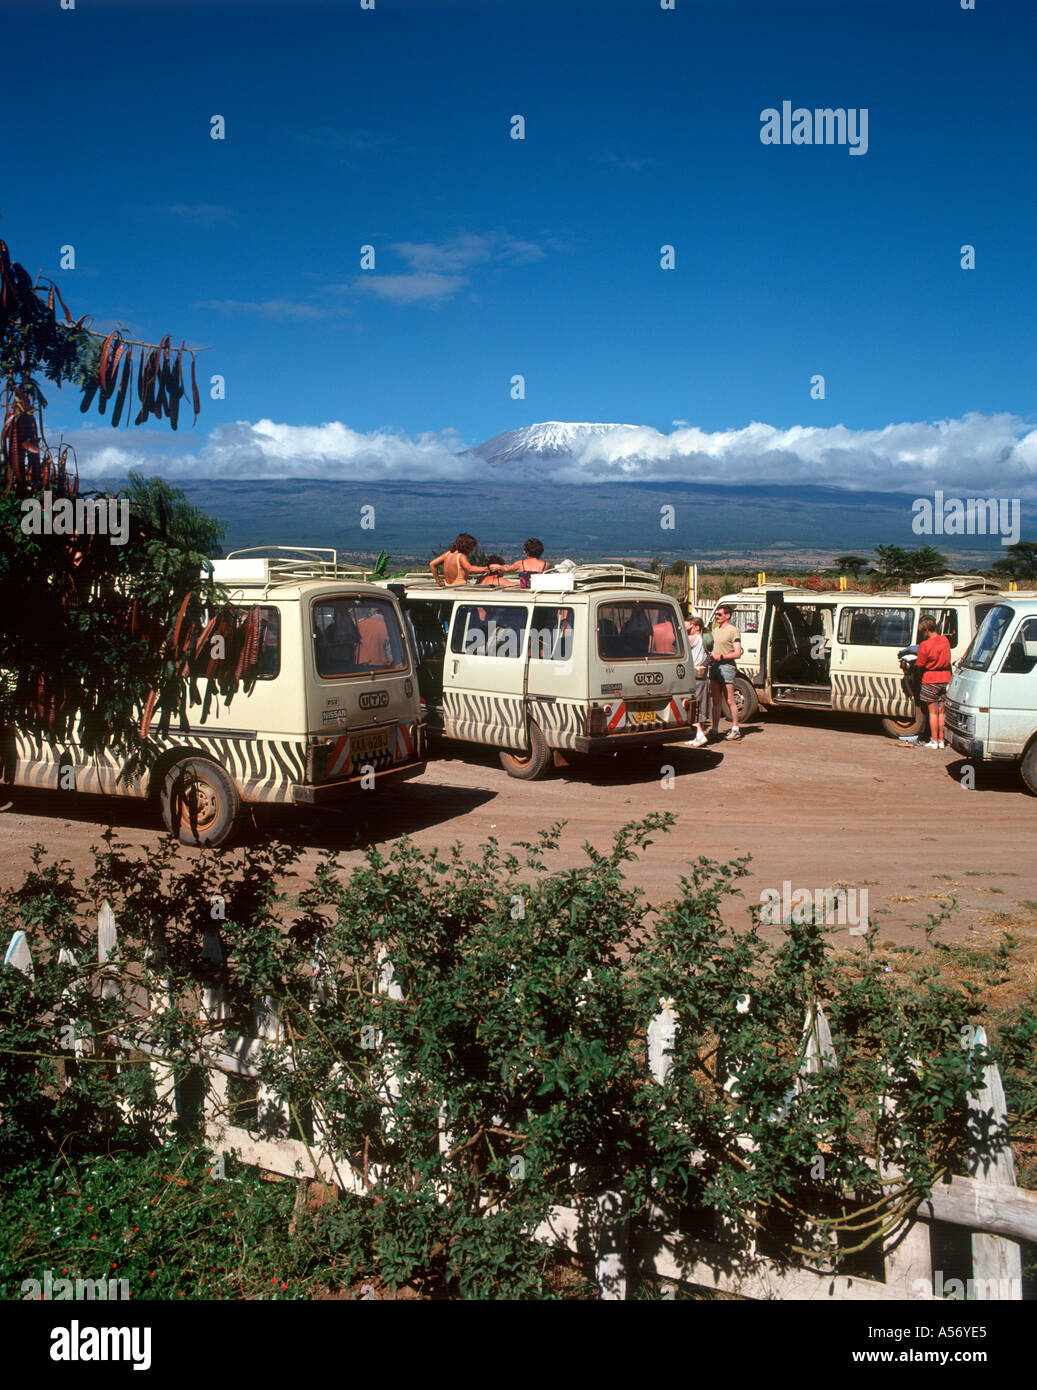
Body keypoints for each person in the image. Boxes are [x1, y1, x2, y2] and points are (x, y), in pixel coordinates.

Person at [915, 615, 952, 748]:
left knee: (932, 712)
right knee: (942, 712)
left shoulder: (925, 645)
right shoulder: (945, 640)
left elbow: (920, 664)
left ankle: (934, 740)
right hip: (945, 679)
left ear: (926, 630)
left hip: (931, 680)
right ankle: (942, 741)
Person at [709, 604, 743, 741]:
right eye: (716, 614)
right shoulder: (715, 630)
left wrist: (721, 657)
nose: (716, 616)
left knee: (729, 700)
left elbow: (737, 652)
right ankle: (715, 728)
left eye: (719, 614)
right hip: (715, 668)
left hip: (727, 668)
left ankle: (735, 728)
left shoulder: (733, 631)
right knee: (715, 701)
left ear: (727, 616)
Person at [682, 616, 709, 747]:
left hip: (695, 676)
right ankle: (698, 734)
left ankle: (699, 734)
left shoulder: (694, 639)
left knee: (693, 706)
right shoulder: (705, 640)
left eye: (691, 626)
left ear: (697, 627)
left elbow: (678, 638)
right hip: (703, 675)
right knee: (701, 705)